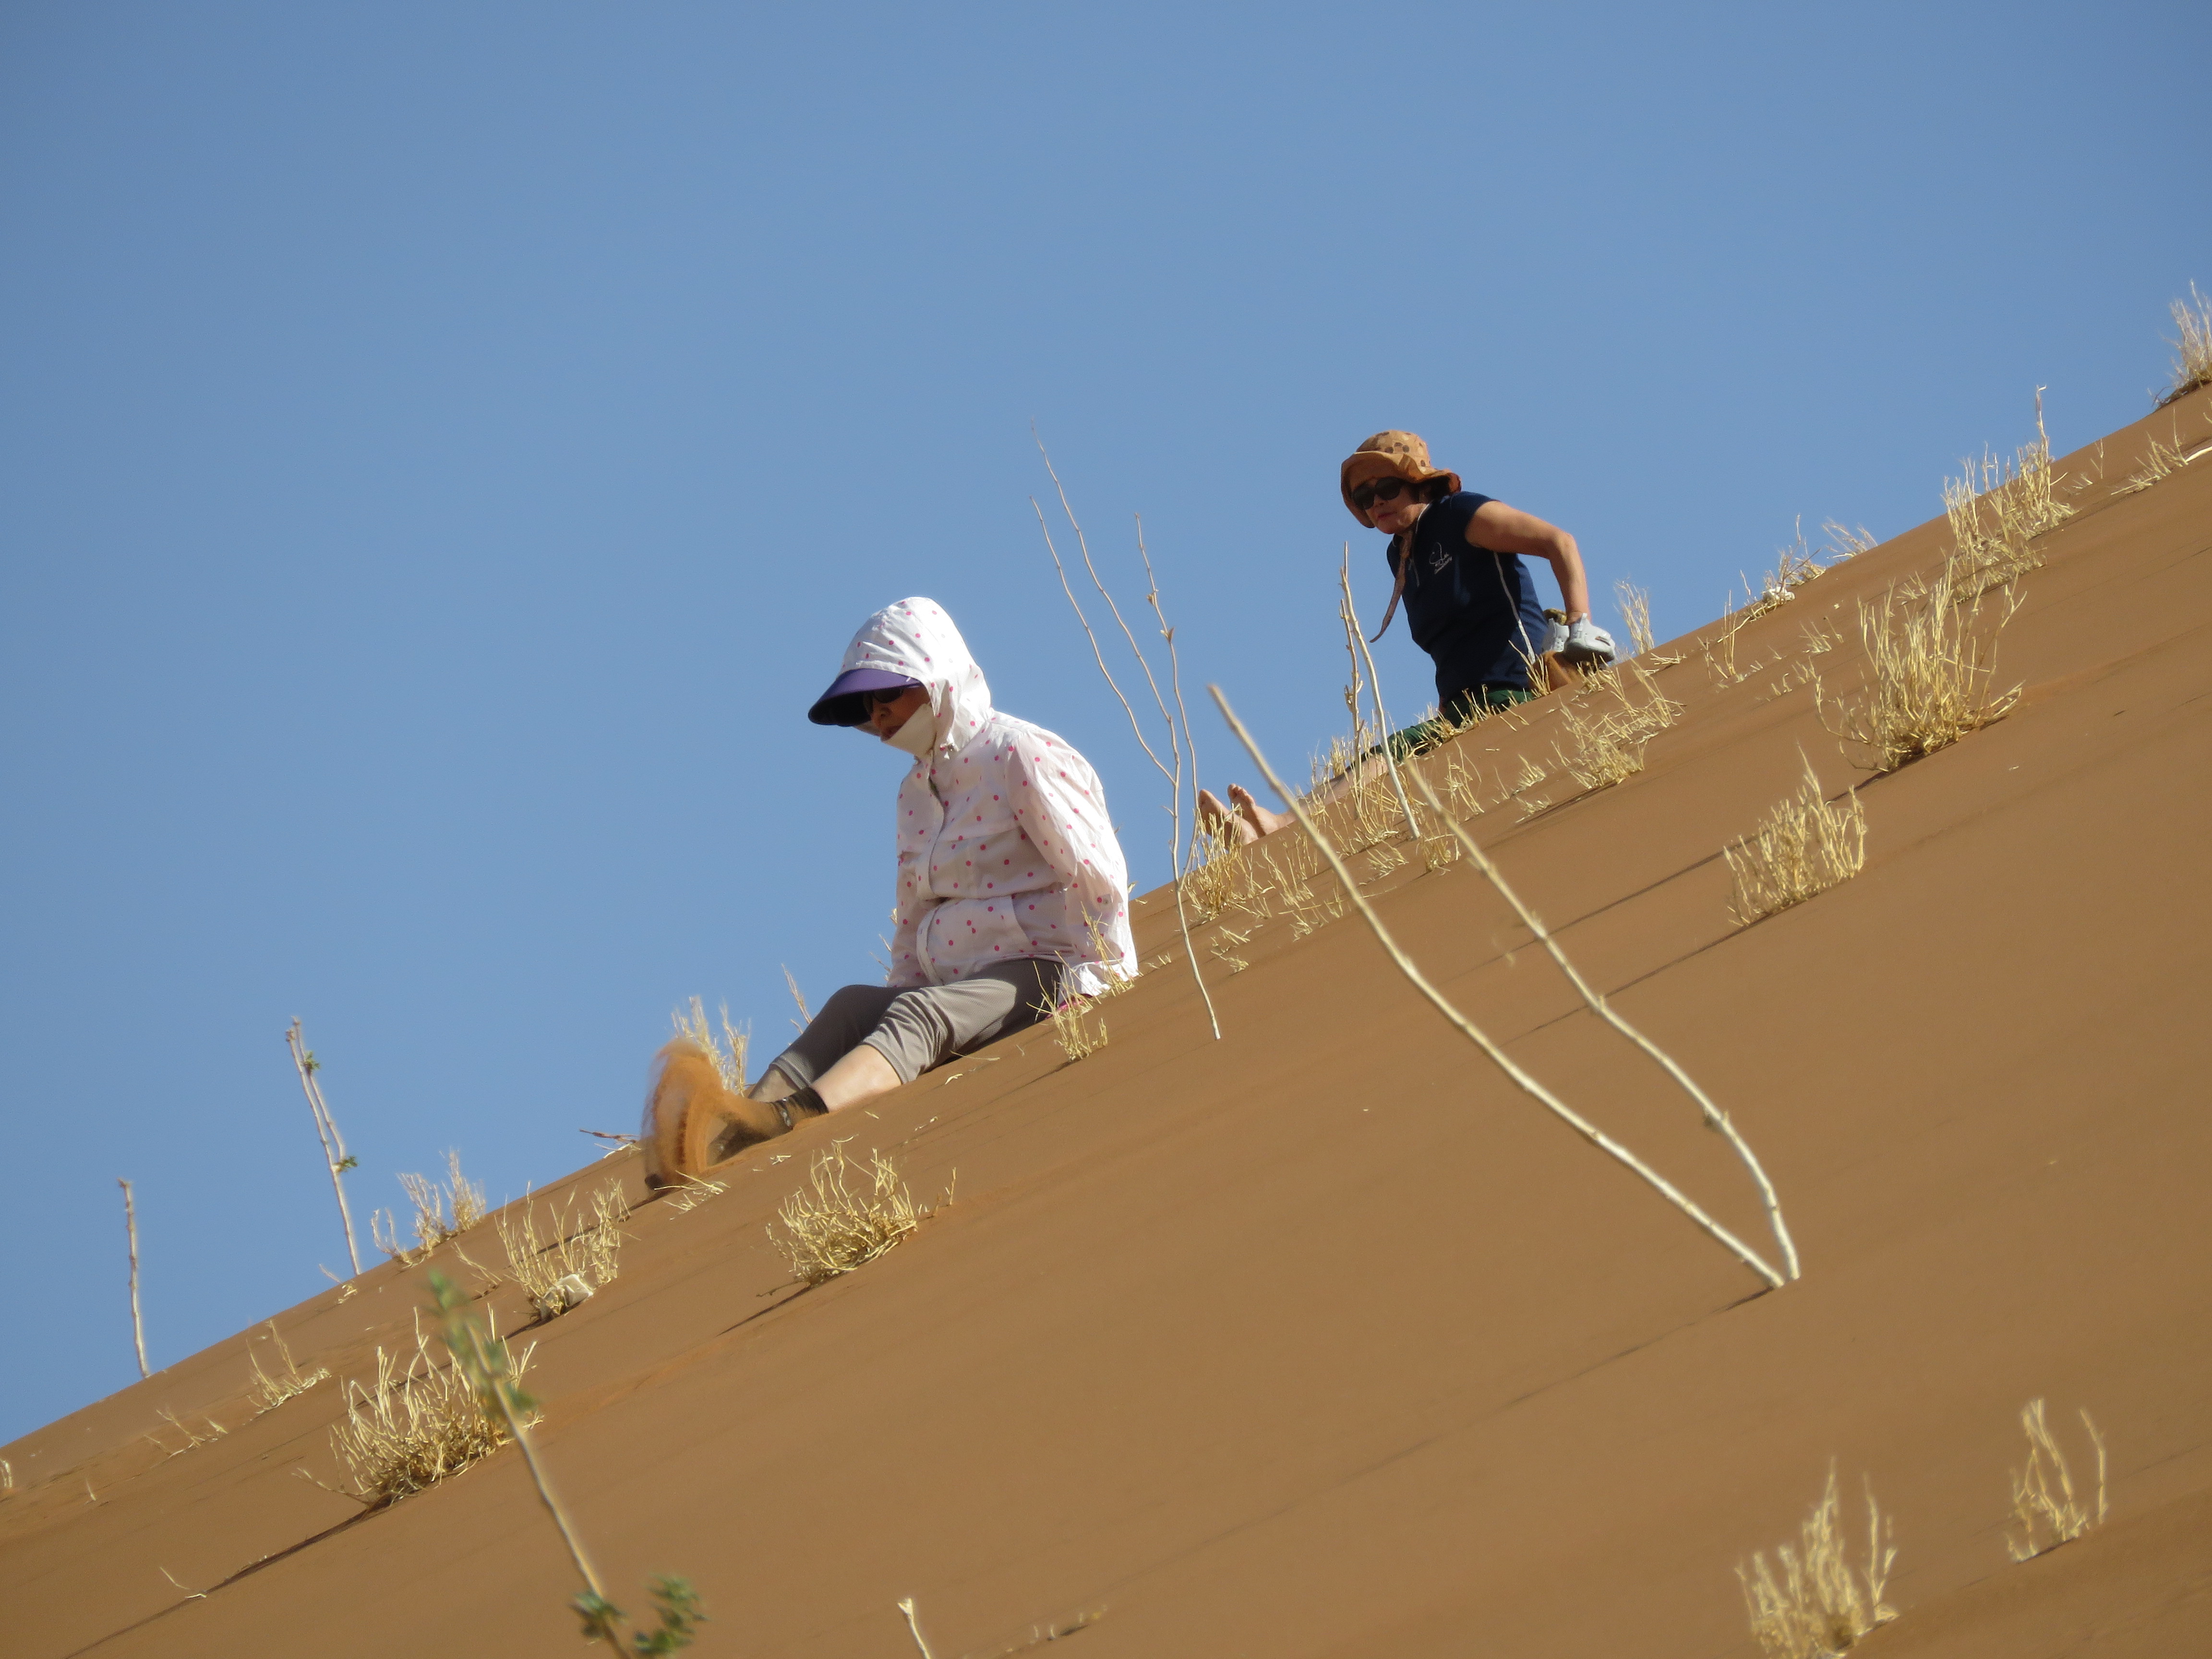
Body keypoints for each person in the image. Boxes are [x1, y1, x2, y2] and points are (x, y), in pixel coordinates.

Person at [642, 597, 1137, 1188]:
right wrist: (901, 987)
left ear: (936, 680)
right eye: (865, 706)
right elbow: (915, 909)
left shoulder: (1019, 754)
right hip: (957, 983)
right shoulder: (915, 792)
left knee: (920, 1014)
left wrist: (1101, 979)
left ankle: (790, 1122)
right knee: (852, 1005)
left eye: (888, 695)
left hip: (1047, 968)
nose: (877, 715)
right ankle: (727, 1134)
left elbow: (1094, 871)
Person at [1199, 430, 1613, 846]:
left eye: (1387, 488)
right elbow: (1452, 644)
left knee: (1387, 756)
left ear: (1419, 483)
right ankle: (1266, 827)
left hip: (1518, 695)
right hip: (1464, 711)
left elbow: (1559, 542)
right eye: (1364, 497)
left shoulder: (1462, 514)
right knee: (1383, 757)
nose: (1376, 502)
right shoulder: (1400, 554)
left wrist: (1580, 624)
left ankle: (1276, 826)